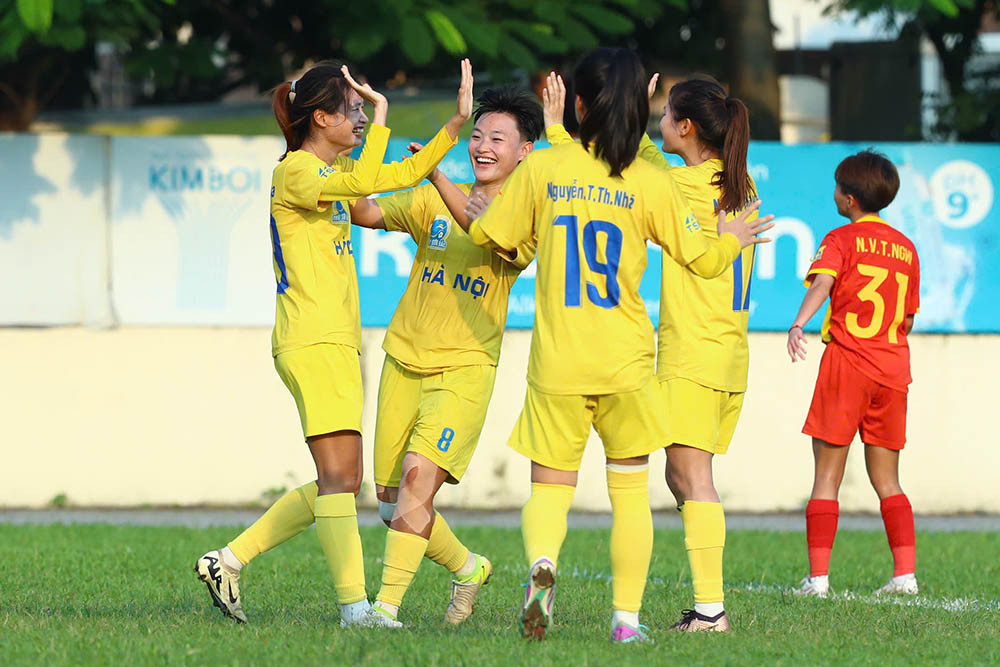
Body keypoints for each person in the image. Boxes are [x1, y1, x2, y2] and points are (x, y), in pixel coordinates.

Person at [463, 48, 773, 643]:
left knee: (550, 486)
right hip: (629, 361)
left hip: (559, 360)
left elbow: (493, 237)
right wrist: (730, 238)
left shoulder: (546, 167)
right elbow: (703, 258)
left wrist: (479, 207)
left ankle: (542, 566)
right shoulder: (654, 181)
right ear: (639, 108)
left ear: (579, 106)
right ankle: (626, 623)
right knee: (630, 492)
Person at [194, 59, 473, 628]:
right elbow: (370, 181)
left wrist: (444, 127)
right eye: (351, 110)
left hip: (333, 342)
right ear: (319, 117)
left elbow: (376, 185)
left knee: (339, 481)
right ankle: (354, 610)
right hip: (311, 340)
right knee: (341, 478)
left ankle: (229, 560)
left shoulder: (332, 172)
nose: (360, 118)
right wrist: (418, 120)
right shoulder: (298, 171)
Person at [542, 73, 758, 632]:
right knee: (681, 477)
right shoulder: (739, 182)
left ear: (686, 129)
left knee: (690, 477)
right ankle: (708, 605)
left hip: (694, 350)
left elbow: (625, 174)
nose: (656, 123)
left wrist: (616, 113)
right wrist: (636, 112)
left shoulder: (681, 185)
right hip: (728, 354)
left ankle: (711, 611)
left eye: (664, 116)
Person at [346, 84, 542, 627]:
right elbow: (361, 209)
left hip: (465, 368)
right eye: (476, 134)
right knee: (391, 506)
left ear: (524, 151)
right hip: (403, 358)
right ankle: (469, 567)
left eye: (497, 139)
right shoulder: (432, 197)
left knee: (416, 484)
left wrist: (432, 170)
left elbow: (484, 232)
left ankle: (383, 611)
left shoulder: (525, 209)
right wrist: (365, 142)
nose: (482, 146)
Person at [787, 150, 921, 598]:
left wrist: (798, 323)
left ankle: (819, 580)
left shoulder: (841, 238)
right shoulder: (906, 248)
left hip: (848, 365)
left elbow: (823, 284)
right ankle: (905, 576)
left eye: (837, 187)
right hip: (892, 370)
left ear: (848, 198)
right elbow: (906, 320)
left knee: (827, 475)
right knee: (888, 479)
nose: (834, 194)